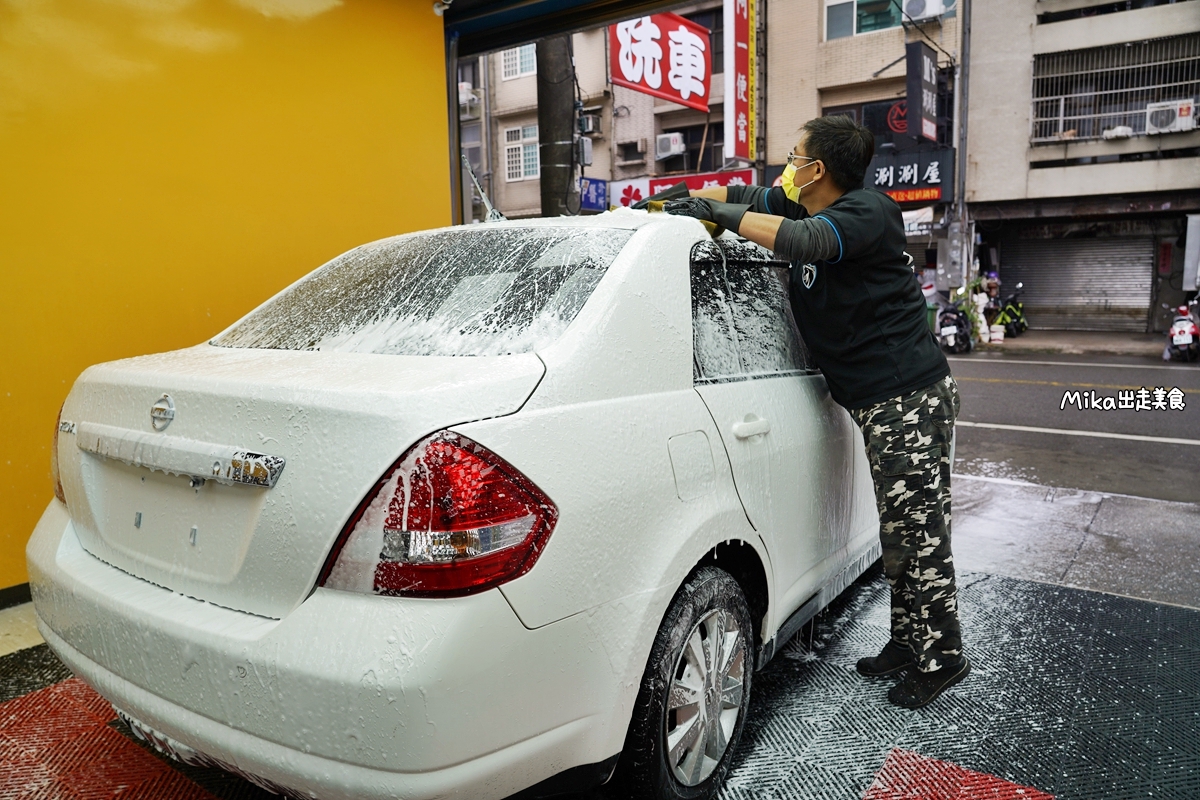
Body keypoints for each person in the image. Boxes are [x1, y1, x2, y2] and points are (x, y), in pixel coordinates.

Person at [653, 114, 968, 709]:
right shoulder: (801, 204)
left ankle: (942, 657)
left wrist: (719, 218)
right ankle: (908, 643)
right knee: (899, 532)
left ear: (818, 169)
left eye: (795, 156)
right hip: (882, 400)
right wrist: (691, 197)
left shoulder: (867, 212)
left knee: (917, 534)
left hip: (909, 397)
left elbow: (807, 243)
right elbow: (746, 195)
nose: (787, 167)